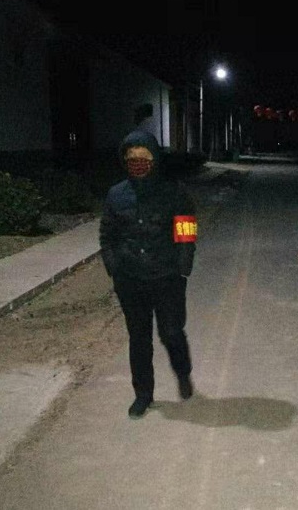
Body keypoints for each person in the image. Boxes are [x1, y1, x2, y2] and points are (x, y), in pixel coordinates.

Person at [99, 130, 198, 419]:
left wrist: (183, 267)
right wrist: (113, 265)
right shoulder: (116, 195)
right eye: (132, 160)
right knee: (139, 339)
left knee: (171, 332)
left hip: (167, 277)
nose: (138, 164)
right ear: (125, 162)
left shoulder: (174, 192)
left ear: (155, 160)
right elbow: (107, 235)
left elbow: (186, 231)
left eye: (144, 159)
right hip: (130, 279)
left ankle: (183, 372)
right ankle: (143, 394)